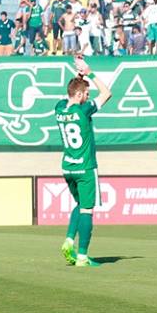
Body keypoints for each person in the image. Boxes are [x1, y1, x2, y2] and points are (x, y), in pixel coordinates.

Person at [56, 55, 113, 267]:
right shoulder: (84, 109)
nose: (88, 97)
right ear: (80, 94)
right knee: (87, 210)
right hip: (85, 167)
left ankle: (69, 239)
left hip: (67, 166)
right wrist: (89, 72)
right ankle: (82, 256)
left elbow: (70, 92)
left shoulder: (59, 108)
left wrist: (77, 78)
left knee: (80, 204)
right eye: (86, 94)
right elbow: (107, 93)